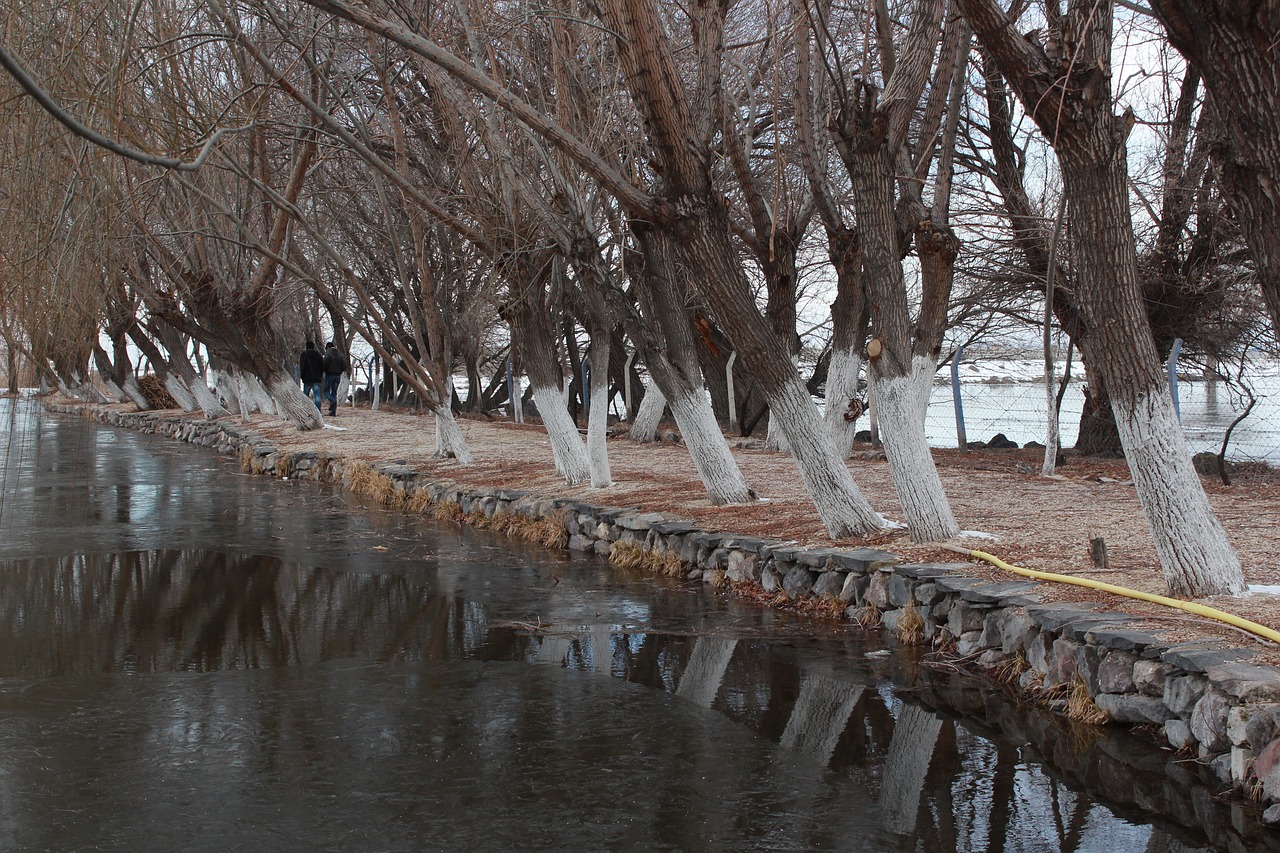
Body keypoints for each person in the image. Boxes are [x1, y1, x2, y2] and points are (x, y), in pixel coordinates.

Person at [322, 341, 346, 417]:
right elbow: (343, 365)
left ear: (327, 347)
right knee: (334, 392)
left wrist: (324, 370)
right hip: (338, 375)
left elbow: (325, 363)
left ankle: (332, 400)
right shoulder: (340, 354)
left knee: (326, 391)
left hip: (329, 375)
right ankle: (333, 412)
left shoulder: (328, 353)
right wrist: (339, 371)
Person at [299, 340, 325, 411]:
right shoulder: (318, 355)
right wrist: (319, 375)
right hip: (316, 378)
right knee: (317, 395)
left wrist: (302, 376)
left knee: (305, 395)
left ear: (306, 346)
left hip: (306, 378)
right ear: (313, 347)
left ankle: (305, 409)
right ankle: (318, 410)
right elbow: (322, 367)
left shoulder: (303, 355)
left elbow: (302, 366)